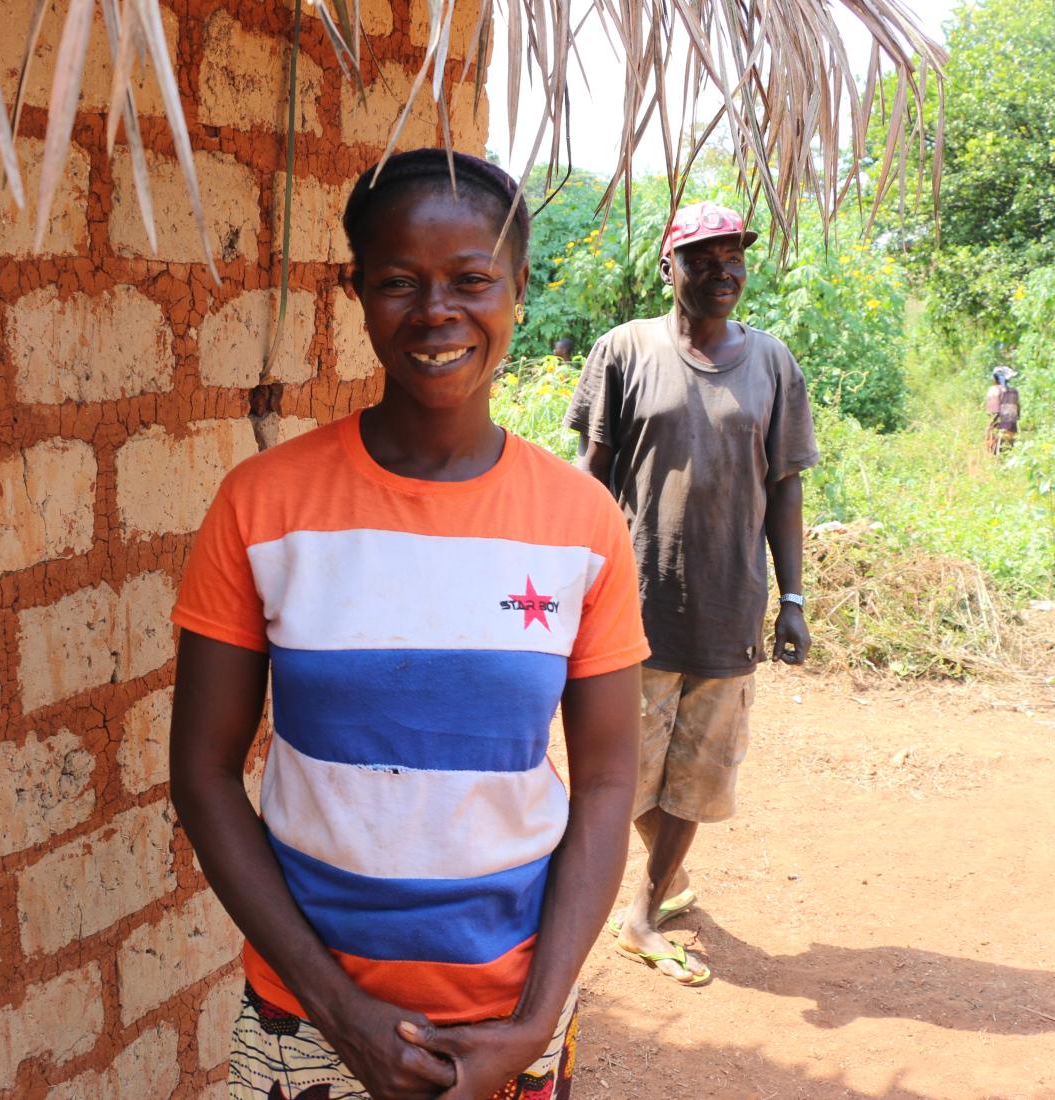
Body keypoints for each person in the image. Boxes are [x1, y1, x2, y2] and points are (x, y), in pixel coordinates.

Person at [169, 148, 650, 1100]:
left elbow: (604, 785)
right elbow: (203, 773)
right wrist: (341, 1013)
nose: (437, 312)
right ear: (357, 292)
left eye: (472, 280)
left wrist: (532, 1024)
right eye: (399, 282)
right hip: (309, 1018)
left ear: (518, 288)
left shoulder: (582, 523)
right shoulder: (265, 506)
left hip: (509, 1022)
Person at [563, 200, 818, 986]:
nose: (723, 272)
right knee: (623, 771)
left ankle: (642, 909)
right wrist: (570, 586)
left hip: (727, 605)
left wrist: (795, 600)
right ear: (668, 268)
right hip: (631, 608)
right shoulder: (624, 350)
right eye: (703, 259)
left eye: (734, 256)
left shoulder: (772, 363)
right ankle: (661, 878)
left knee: (699, 775)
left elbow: (785, 491)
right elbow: (590, 478)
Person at [985, 366, 1020, 454]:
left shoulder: (993, 390)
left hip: (996, 429)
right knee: (1008, 453)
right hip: (1011, 429)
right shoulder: (1014, 392)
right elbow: (1017, 413)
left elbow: (993, 412)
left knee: (994, 455)